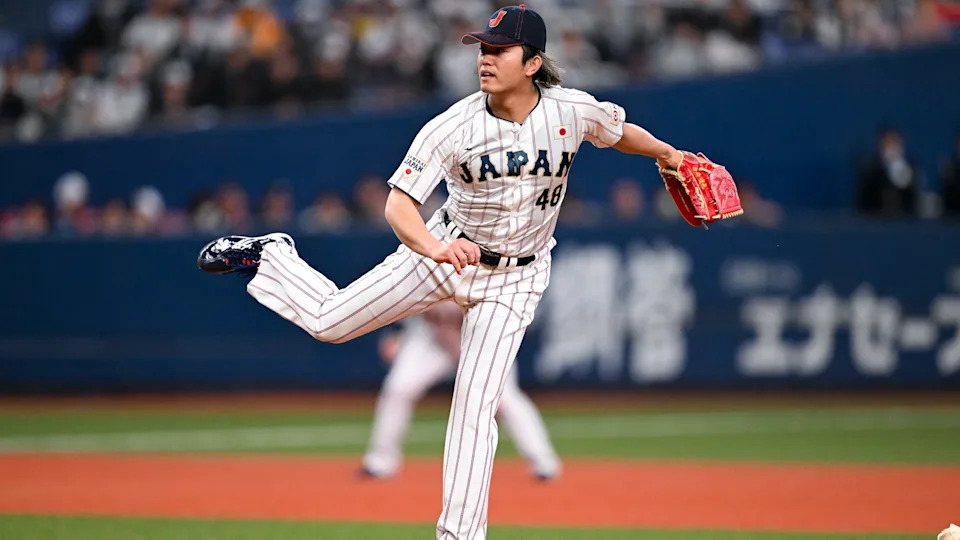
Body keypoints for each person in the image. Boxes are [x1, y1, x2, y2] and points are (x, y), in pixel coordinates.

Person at [198, 5, 687, 538]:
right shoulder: (452, 126)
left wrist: (670, 155)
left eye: (500, 50)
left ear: (533, 63)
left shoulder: (573, 111)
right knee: (329, 322)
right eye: (483, 48)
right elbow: (398, 206)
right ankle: (272, 255)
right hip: (443, 252)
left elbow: (619, 131)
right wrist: (434, 248)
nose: (486, 58)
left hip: (517, 278)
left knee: (477, 406)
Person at [362, 301, 560, 481]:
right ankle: (381, 460)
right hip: (435, 338)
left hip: (481, 339)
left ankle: (543, 461)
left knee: (506, 397)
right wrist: (397, 332)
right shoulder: (434, 262)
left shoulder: (492, 267)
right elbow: (407, 291)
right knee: (399, 388)